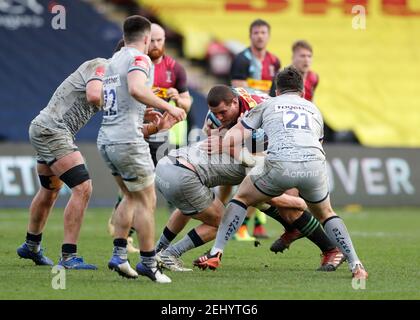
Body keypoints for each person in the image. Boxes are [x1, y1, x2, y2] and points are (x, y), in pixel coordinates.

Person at [194, 68, 368, 280]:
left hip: (281, 163)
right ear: (302, 92)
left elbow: (237, 135)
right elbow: (317, 143)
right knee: (327, 214)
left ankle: (215, 253)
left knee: (242, 197)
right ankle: (356, 265)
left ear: (277, 91)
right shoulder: (314, 109)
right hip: (315, 166)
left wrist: (220, 143)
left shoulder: (268, 104)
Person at [155, 85, 344, 272]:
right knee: (240, 205)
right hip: (198, 169)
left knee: (283, 208)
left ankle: (330, 249)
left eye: (223, 112)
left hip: (286, 151)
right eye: (216, 114)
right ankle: (162, 252)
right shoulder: (220, 116)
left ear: (235, 103)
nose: (219, 118)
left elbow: (252, 162)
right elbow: (221, 149)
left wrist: (292, 201)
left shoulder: (259, 117)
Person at [97, 15, 185, 282]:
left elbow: (108, 97)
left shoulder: (111, 61)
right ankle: (148, 262)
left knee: (130, 197)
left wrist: (141, 112)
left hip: (107, 138)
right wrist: (167, 106)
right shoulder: (140, 59)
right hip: (128, 140)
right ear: (146, 39)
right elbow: (136, 88)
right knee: (147, 201)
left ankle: (119, 256)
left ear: (124, 37)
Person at [17, 57, 107, 269]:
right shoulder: (104, 65)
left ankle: (31, 246)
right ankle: (68, 257)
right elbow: (94, 95)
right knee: (83, 187)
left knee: (49, 190)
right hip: (53, 131)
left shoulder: (111, 77)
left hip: (45, 127)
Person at [229, 19, 281, 239]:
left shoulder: (274, 61)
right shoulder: (242, 59)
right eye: (256, 32)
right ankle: (238, 223)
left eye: (263, 32)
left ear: (268, 36)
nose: (260, 36)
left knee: (261, 170)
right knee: (251, 172)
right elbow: (237, 91)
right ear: (250, 35)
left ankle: (255, 224)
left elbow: (273, 92)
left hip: (264, 121)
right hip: (247, 120)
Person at [269, 40, 320, 251]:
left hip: (303, 140)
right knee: (282, 196)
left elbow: (311, 106)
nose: (306, 60)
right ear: (293, 57)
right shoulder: (284, 78)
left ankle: (300, 230)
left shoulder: (314, 78)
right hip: (282, 138)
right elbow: (274, 104)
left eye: (309, 56)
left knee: (282, 196)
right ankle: (294, 228)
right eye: (302, 56)